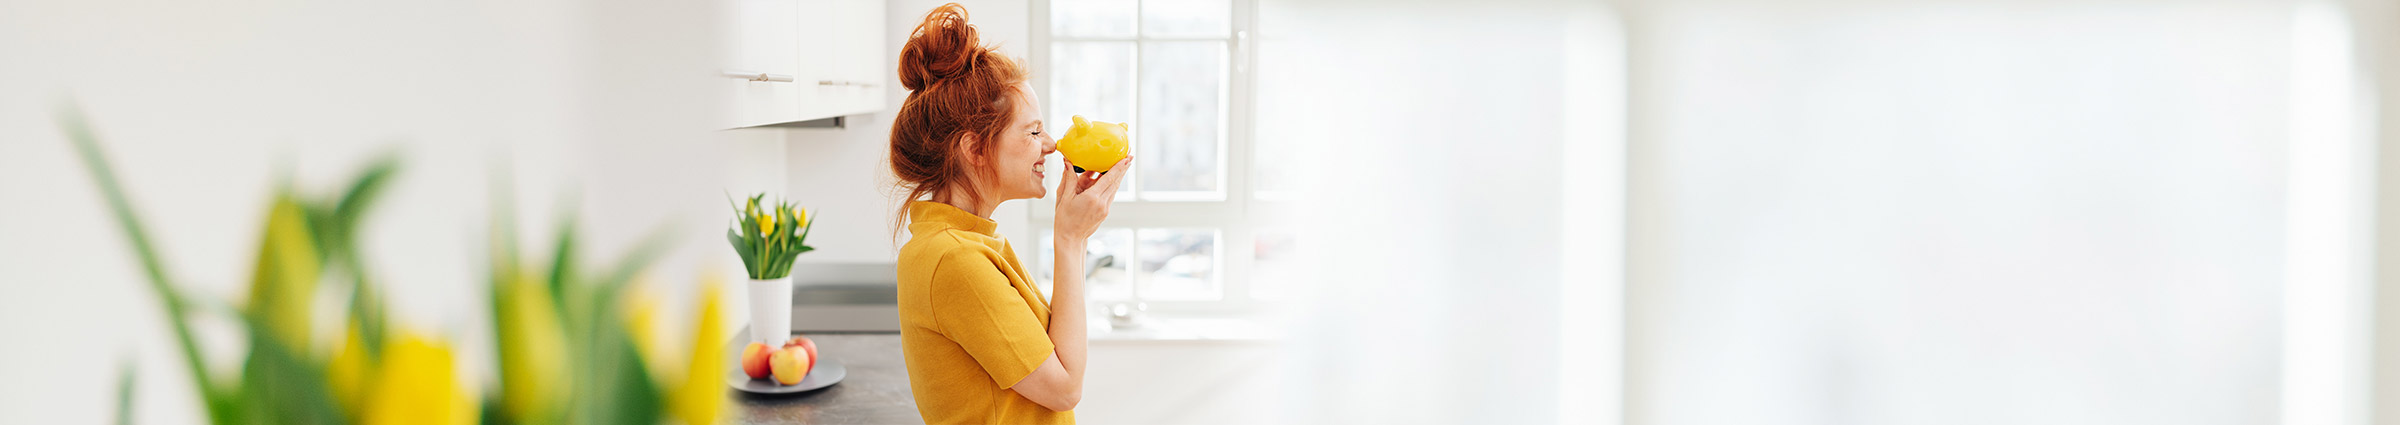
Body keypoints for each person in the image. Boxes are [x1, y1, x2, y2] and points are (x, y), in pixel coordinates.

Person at [887, 3, 1129, 424]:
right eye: (1033, 131)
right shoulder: (954, 260)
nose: (1051, 144)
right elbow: (1065, 388)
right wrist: (1070, 240)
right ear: (975, 149)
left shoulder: (967, 242)